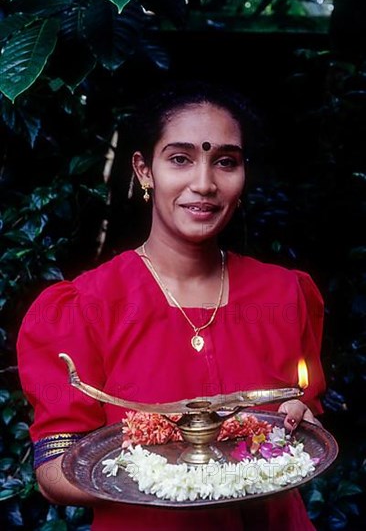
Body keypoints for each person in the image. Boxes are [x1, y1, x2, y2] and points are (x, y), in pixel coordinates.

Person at [17, 80, 326, 531]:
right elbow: (53, 471)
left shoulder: (285, 294)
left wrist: (301, 423)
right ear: (144, 171)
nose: (204, 184)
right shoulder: (84, 307)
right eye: (180, 159)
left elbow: (303, 417)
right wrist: (177, 476)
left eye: (225, 162)